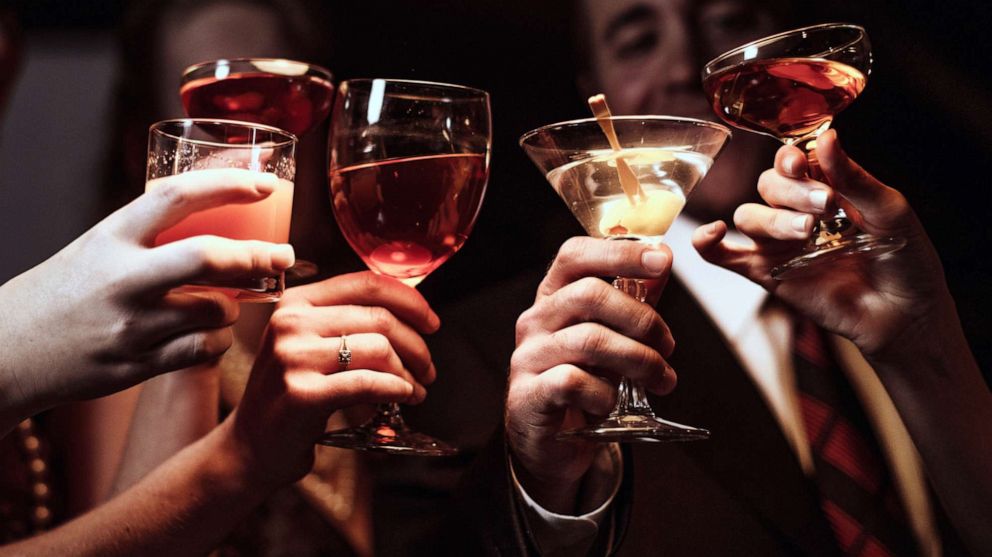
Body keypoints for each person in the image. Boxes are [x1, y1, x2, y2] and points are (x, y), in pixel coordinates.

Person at [490, 1, 991, 555]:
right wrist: (544, 488)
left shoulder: (945, 277)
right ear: (594, 83)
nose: (688, 68)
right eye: (637, 41)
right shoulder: (505, 352)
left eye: (729, 21)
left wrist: (918, 343)